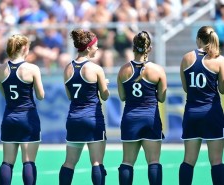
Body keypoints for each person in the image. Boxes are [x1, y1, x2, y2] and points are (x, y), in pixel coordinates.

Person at [59, 29, 110, 185]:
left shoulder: (67, 68)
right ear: (88, 47)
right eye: (95, 46)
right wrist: (105, 85)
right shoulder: (95, 69)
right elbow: (105, 95)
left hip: (74, 118)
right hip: (92, 118)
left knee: (69, 163)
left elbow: (70, 96)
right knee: (96, 163)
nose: (97, 49)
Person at [117, 31, 167, 185]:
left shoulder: (123, 70)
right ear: (149, 48)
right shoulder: (157, 70)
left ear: (133, 48)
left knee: (127, 162)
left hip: (131, 118)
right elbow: (161, 98)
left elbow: (123, 97)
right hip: (150, 118)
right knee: (153, 161)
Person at [0, 34, 45, 185]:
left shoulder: (1, 69)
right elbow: (41, 95)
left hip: (9, 117)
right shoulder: (32, 68)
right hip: (28, 117)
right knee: (28, 161)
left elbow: (4, 94)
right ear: (24, 48)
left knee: (7, 162)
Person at [179, 26, 224, 185]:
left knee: (188, 161)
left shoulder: (186, 58)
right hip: (212, 113)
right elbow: (222, 89)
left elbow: (186, 88)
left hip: (192, 112)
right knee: (216, 161)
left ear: (198, 39)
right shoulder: (219, 59)